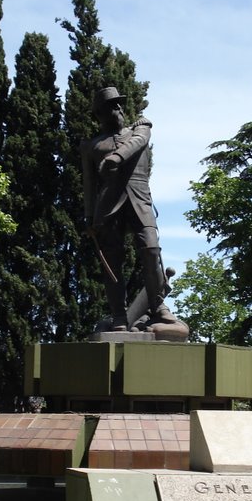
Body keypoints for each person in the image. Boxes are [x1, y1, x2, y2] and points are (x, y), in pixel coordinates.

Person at [80, 86, 187, 338]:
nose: (117, 109)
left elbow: (139, 142)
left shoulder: (140, 130)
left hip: (140, 201)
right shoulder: (92, 146)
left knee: (151, 250)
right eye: (110, 106)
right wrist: (88, 217)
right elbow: (89, 185)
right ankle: (118, 315)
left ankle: (158, 306)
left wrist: (116, 158)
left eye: (118, 104)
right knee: (112, 263)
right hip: (108, 208)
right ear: (100, 114)